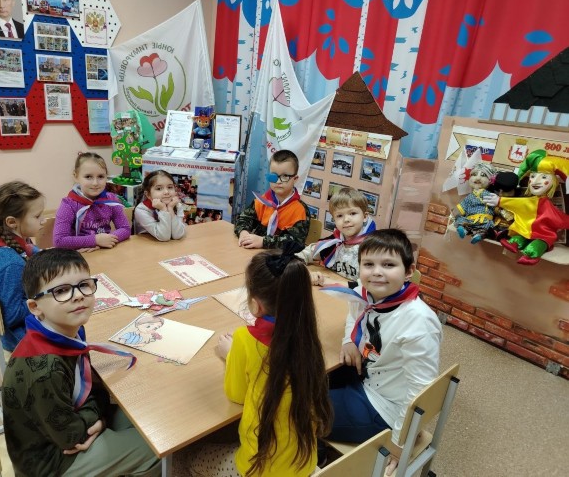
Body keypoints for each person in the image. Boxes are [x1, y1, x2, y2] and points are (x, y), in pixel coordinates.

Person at [176, 243, 333, 476]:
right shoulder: (307, 337)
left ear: (255, 304)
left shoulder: (244, 339)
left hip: (256, 469)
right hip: (305, 464)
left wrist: (231, 355)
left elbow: (237, 395)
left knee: (185, 457)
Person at [2, 248, 161, 477]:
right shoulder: (45, 369)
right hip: (52, 462)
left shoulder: (67, 331)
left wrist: (98, 412)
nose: (78, 296)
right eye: (61, 291)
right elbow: (71, 437)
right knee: (154, 448)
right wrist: (101, 418)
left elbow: (89, 389)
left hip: (69, 422)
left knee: (145, 417)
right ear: (35, 307)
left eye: (84, 285)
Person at [326, 229, 442, 476]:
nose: (377, 272)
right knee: (301, 381)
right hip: (366, 377)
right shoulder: (367, 292)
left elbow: (421, 391)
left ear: (409, 271)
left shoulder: (418, 322)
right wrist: (348, 341)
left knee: (295, 410)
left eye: (388, 264)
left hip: (385, 408)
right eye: (368, 264)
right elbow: (354, 307)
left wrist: (400, 444)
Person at [0, 181, 45, 352]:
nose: (43, 221)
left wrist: (44, 254)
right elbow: (12, 316)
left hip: (23, 324)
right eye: (37, 216)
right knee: (74, 324)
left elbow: (29, 249)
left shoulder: (10, 241)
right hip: (19, 336)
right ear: (12, 222)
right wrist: (44, 298)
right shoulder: (11, 264)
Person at [296, 187, 375, 286]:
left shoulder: (374, 248)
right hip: (327, 293)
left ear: (365, 216)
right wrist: (307, 273)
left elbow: (372, 285)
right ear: (334, 220)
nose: (346, 219)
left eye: (353, 213)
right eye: (339, 216)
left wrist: (331, 283)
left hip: (353, 295)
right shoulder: (333, 242)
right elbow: (300, 256)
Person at [53, 152, 131, 252]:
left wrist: (107, 240)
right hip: (79, 255)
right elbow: (59, 241)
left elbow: (125, 229)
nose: (95, 183)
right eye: (88, 177)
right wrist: (95, 240)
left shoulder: (111, 200)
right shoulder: (68, 204)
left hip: (105, 250)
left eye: (101, 176)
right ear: (76, 176)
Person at [235, 149, 310, 249]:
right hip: (257, 253)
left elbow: (295, 242)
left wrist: (263, 242)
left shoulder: (300, 210)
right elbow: (243, 218)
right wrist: (243, 232)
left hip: (282, 256)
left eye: (285, 176)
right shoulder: (262, 201)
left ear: (295, 179)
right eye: (273, 176)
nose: (278, 181)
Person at [133, 169, 186, 241]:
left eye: (170, 187)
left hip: (171, 245)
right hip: (147, 244)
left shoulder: (176, 205)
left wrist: (170, 209)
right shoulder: (142, 210)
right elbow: (164, 236)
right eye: (159, 188)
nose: (166, 192)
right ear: (148, 194)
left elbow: (178, 235)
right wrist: (163, 209)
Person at [452, 162, 496, 244]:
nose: (478, 178)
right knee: (460, 220)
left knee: (486, 228)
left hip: (484, 219)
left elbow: (495, 206)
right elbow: (463, 206)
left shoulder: (490, 195)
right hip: (470, 219)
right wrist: (456, 212)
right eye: (474, 174)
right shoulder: (470, 196)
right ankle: (464, 229)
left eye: (483, 175)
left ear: (490, 180)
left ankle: (479, 235)